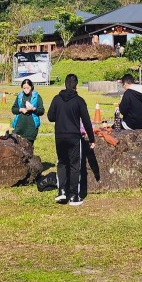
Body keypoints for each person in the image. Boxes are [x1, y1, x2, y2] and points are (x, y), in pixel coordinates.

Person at [46, 73, 95, 206]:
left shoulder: (57, 99)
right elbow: (86, 121)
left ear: (65, 84)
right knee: (75, 165)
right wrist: (92, 139)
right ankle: (74, 196)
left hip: (59, 136)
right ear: (76, 85)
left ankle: (62, 191)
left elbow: (50, 117)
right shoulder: (79, 100)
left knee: (61, 163)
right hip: (74, 137)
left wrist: (60, 114)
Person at [10, 79, 45, 144]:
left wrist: (33, 109)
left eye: (27, 88)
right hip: (19, 127)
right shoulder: (20, 96)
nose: (25, 90)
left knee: (28, 149)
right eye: (24, 88)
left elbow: (41, 111)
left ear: (31, 87)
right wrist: (20, 109)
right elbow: (13, 109)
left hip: (31, 128)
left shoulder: (37, 97)